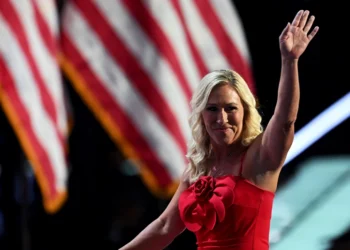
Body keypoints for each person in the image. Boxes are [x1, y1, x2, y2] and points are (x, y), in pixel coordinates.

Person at [119, 10, 319, 250]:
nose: (221, 118)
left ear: (245, 111)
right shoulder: (196, 169)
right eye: (212, 109)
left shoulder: (261, 156)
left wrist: (290, 61)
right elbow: (164, 227)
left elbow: (285, 120)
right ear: (201, 116)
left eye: (230, 108)